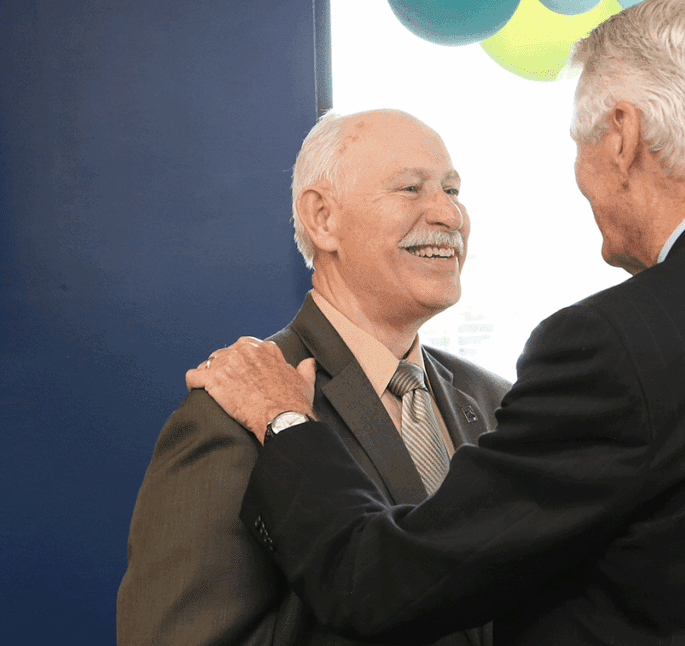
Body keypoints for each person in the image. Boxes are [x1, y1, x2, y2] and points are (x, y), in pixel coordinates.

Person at [191, 0, 685, 646]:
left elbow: (381, 582)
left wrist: (287, 424)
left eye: (578, 141)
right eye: (411, 187)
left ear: (621, 136)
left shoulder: (615, 347)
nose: (447, 210)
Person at [117, 109, 511, 646]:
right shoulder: (231, 411)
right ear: (323, 218)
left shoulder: (497, 402)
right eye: (410, 188)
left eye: (452, 189)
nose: (449, 214)